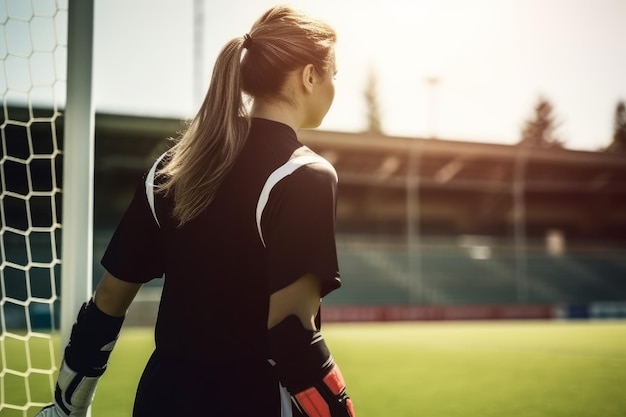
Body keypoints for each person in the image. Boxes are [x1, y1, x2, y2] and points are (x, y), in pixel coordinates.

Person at [36, 5, 355, 417]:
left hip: (159, 399)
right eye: (334, 74)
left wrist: (68, 404)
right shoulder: (305, 174)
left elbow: (109, 299)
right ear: (310, 76)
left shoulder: (175, 165)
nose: (334, 86)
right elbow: (293, 334)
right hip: (250, 400)